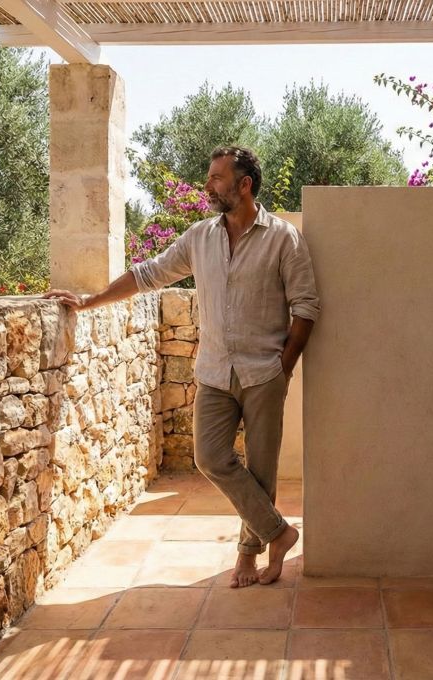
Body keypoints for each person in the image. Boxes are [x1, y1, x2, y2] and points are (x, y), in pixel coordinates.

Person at [44, 146, 320, 588]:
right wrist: (90, 301)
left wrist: (283, 369)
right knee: (210, 458)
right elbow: (147, 274)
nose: (208, 186)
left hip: (264, 372)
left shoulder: (282, 238)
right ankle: (279, 533)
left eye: (216, 178)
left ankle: (250, 557)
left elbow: (306, 307)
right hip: (213, 372)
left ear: (243, 184)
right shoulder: (199, 238)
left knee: (262, 469)